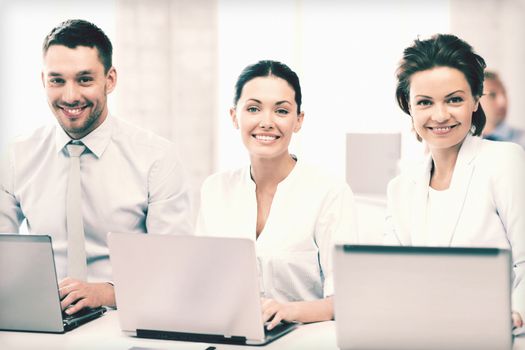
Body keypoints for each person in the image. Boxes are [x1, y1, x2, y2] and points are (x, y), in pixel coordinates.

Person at [0, 19, 193, 315]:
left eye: (85, 79)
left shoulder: (156, 158)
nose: (70, 96)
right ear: (43, 80)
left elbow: (174, 270)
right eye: (57, 80)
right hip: (43, 324)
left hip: (128, 320)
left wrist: (107, 293)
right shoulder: (17, 156)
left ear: (110, 79)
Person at [196, 60, 358, 329]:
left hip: (304, 339)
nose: (267, 122)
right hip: (229, 335)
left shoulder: (329, 192)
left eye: (281, 111)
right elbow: (203, 282)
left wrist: (287, 310)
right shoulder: (215, 189)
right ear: (234, 116)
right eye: (253, 109)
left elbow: (346, 300)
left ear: (298, 120)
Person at [386, 33, 525, 330]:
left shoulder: (504, 160)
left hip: (494, 332)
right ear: (409, 108)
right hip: (423, 331)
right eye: (424, 102)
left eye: (454, 100)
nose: (440, 115)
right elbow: (394, 276)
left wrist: (515, 313)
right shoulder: (401, 187)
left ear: (475, 100)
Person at [480, 70, 525, 148]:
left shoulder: (522, 141)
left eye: (504, 93)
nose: (502, 102)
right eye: (492, 95)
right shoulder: (463, 143)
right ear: (475, 100)